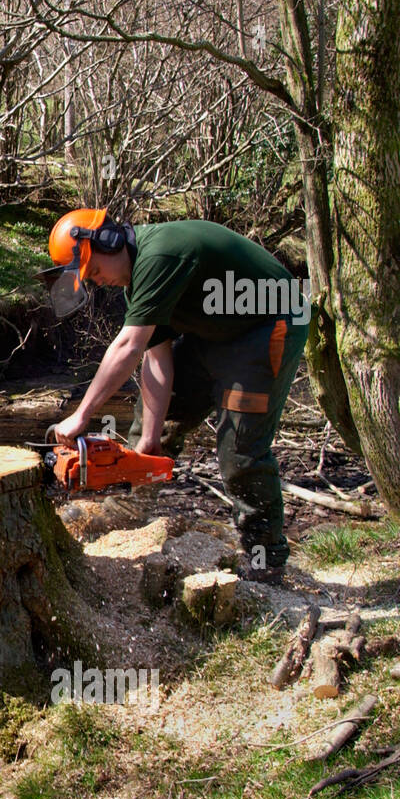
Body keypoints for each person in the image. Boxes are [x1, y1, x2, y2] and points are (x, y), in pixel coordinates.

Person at [46, 209, 309, 583]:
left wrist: (82, 414)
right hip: (217, 331)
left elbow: (129, 346)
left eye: (93, 270)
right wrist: (150, 442)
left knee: (240, 449)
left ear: (108, 240)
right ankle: (130, 506)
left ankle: (265, 558)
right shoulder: (136, 283)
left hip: (269, 323)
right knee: (162, 415)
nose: (96, 281)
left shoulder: (161, 256)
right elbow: (156, 358)